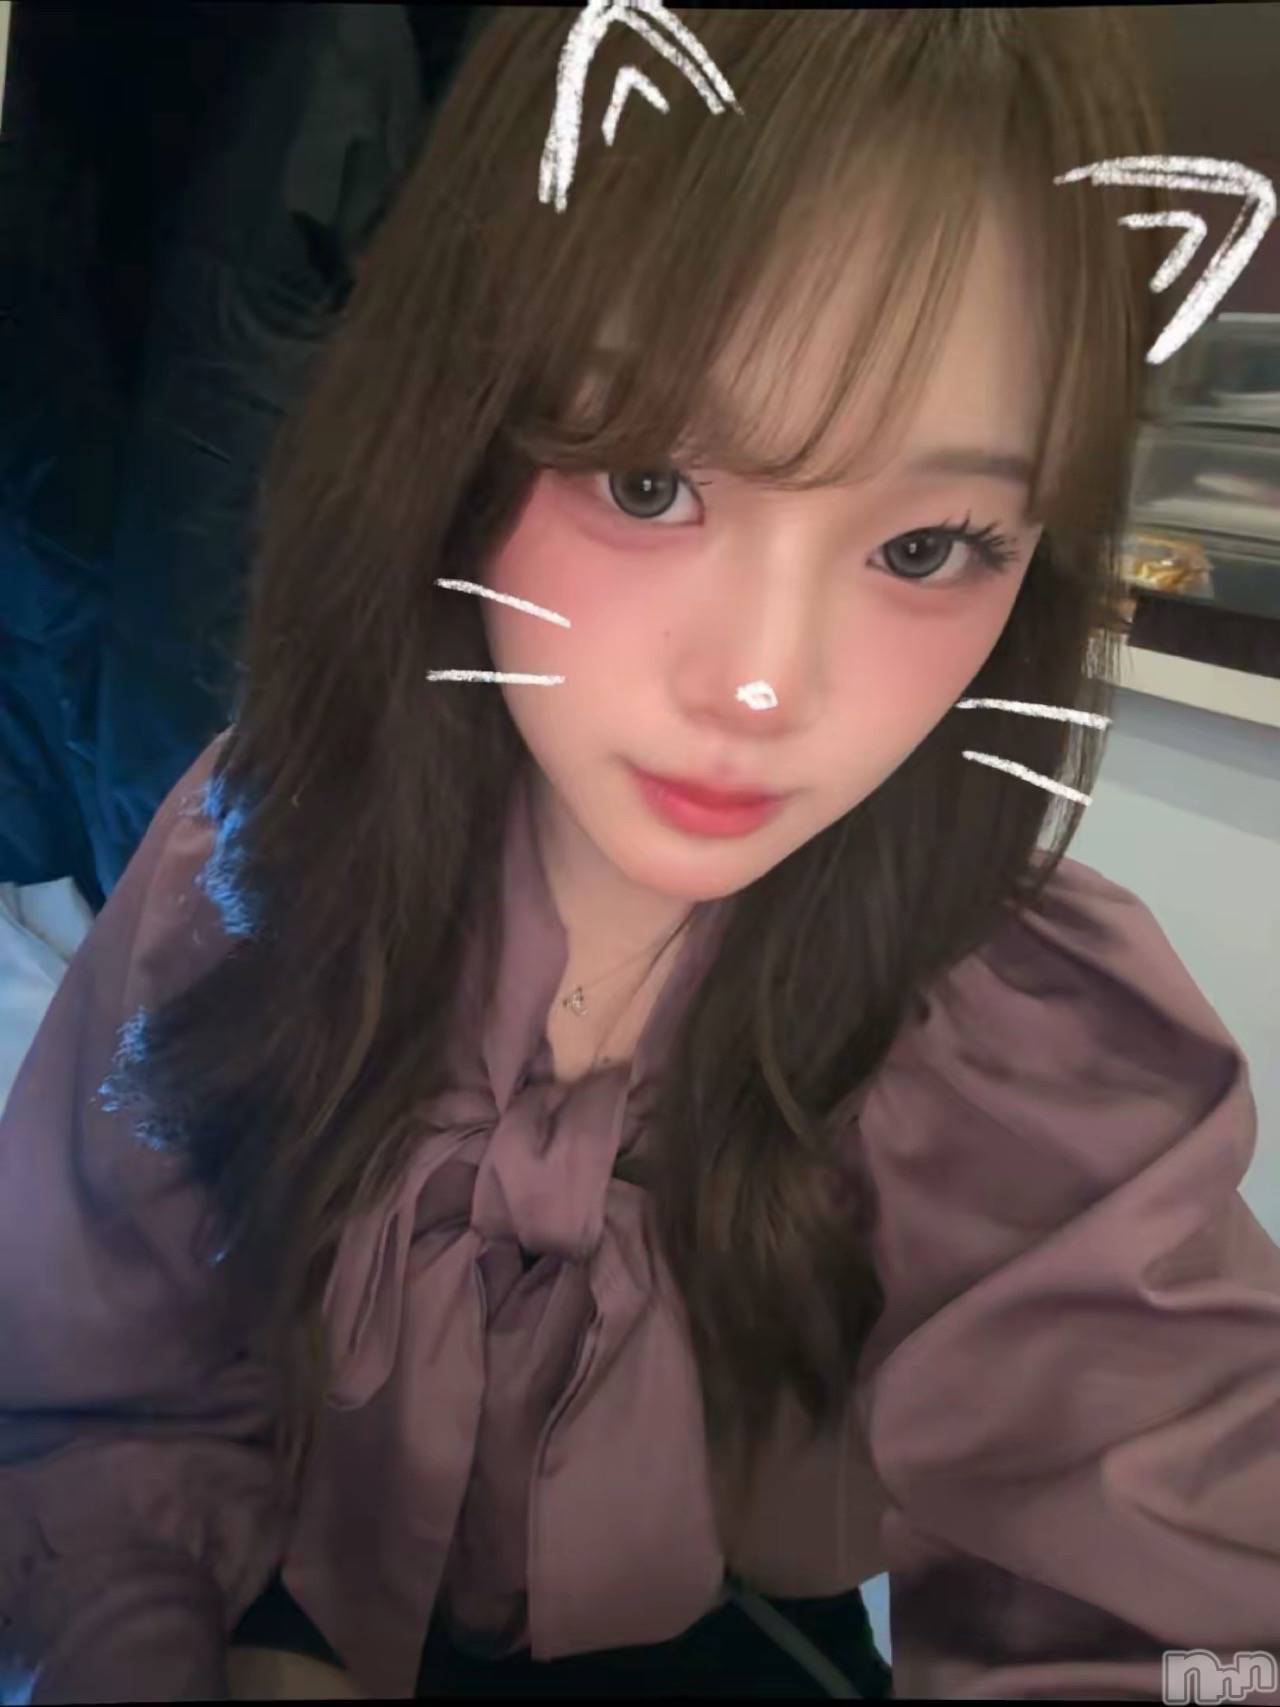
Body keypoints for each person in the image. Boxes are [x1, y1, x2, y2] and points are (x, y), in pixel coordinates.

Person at [2, 8, 1278, 1702]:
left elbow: (1176, 1570)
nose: (761, 687)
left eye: (926, 545)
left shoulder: (1023, 1038)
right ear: (454, 431)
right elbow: (95, 1402)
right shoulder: (251, 862)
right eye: (649, 478)